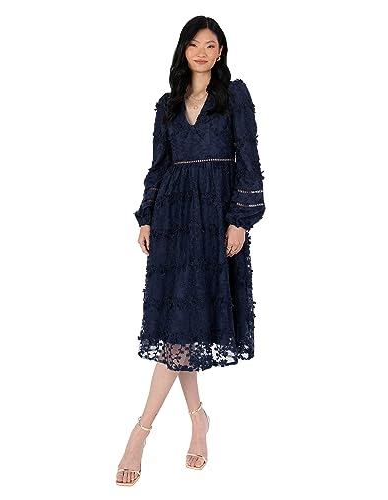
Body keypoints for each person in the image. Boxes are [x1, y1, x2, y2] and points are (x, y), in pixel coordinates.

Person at [115, 15, 265, 486]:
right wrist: (146, 216)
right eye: (195, 44)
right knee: (180, 325)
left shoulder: (234, 96)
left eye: (211, 44)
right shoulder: (167, 105)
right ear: (184, 50)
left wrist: (240, 219)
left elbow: (250, 162)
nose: (203, 52)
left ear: (220, 52)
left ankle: (141, 432)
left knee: (183, 327)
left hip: (216, 218)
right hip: (174, 220)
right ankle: (197, 419)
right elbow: (158, 166)